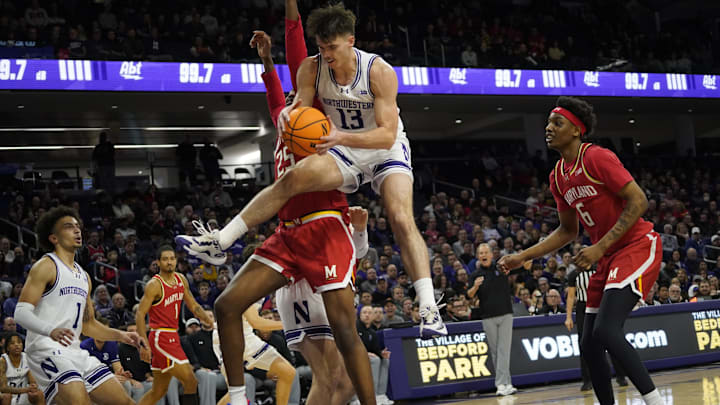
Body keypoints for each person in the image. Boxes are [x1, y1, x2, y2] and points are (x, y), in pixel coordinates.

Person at [176, 3, 446, 341]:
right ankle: (221, 241)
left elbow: (387, 133)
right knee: (291, 180)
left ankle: (428, 309)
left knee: (400, 216)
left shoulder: (379, 71)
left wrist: (340, 137)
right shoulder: (312, 68)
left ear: (350, 40)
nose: (326, 53)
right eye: (321, 47)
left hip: (381, 148)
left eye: (332, 47)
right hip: (343, 149)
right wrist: (291, 115)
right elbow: (301, 103)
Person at [183, 10, 378, 403]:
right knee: (226, 304)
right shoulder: (285, 121)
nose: (292, 97)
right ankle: (238, 397)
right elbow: (275, 90)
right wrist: (265, 61)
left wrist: (291, 11)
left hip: (325, 225)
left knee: (344, 331)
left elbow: (298, 55)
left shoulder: (322, 115)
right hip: (287, 233)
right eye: (288, 98)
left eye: (299, 91)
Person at [498, 96, 663, 405]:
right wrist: (524, 256)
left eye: (557, 123)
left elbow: (639, 200)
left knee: (607, 332)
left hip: (637, 245)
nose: (548, 128)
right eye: (547, 122)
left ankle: (655, 401)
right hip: (608, 255)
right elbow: (568, 231)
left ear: (576, 130)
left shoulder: (597, 157)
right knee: (588, 344)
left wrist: (600, 246)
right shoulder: (557, 176)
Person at [14, 206, 142, 405]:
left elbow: (88, 325)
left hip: (75, 352)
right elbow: (20, 313)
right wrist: (50, 330)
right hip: (45, 349)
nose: (76, 230)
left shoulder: (84, 277)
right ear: (53, 238)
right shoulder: (46, 265)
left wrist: (121, 335)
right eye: (68, 227)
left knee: (126, 402)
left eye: (77, 226)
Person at [134, 245, 214, 405]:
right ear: (158, 262)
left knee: (159, 391)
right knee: (190, 380)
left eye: (172, 259)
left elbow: (193, 305)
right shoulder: (154, 285)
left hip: (173, 335)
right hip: (160, 336)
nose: (169, 262)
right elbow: (140, 314)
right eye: (165, 259)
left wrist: (208, 319)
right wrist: (143, 344)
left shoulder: (181, 280)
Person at [211, 300, 296, 405]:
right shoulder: (251, 285)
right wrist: (289, 324)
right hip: (231, 335)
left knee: (287, 372)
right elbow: (256, 322)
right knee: (237, 392)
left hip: (243, 332)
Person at [466, 244, 518, 396]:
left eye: (486, 252)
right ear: (478, 256)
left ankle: (501, 384)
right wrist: (475, 287)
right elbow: (469, 295)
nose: (483, 255)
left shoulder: (501, 268)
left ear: (491, 254)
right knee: (496, 352)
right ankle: (506, 383)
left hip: (506, 313)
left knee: (503, 350)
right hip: (488, 316)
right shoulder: (475, 274)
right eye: (480, 253)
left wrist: (526, 259)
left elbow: (520, 267)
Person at [566, 266, 628, 391]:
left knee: (611, 339)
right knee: (585, 344)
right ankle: (587, 380)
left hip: (601, 304)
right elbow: (571, 296)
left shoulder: (600, 269)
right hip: (583, 309)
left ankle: (620, 375)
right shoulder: (574, 274)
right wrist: (568, 317)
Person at [0, 333, 43, 405]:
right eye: (12, 343)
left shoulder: (26, 358)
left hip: (22, 394)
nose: (17, 345)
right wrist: (25, 389)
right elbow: (3, 388)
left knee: (38, 393)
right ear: (7, 348)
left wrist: (33, 386)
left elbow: (32, 381)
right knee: (7, 396)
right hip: (7, 394)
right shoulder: (3, 361)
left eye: (19, 342)